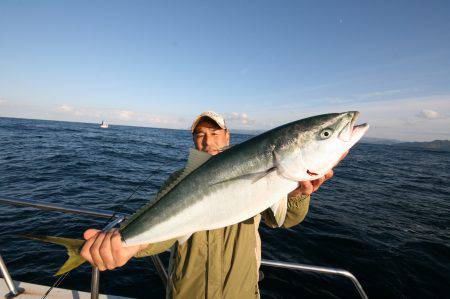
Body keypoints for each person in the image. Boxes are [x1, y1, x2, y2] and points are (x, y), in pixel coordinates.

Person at [80, 111, 340, 298]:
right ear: (194, 141)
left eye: (215, 133)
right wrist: (129, 246)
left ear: (227, 136)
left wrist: (298, 195)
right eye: (200, 135)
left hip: (241, 292)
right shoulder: (178, 180)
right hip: (187, 292)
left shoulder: (265, 168)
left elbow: (280, 219)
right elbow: (164, 231)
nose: (207, 140)